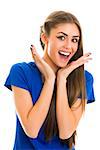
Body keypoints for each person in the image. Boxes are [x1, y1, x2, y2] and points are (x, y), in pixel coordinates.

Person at [4, 10, 95, 150]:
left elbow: (66, 132)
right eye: (61, 37)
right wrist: (50, 79)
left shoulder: (84, 78)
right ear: (45, 38)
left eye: (74, 40)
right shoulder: (21, 72)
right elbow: (32, 129)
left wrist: (62, 78)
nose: (69, 46)